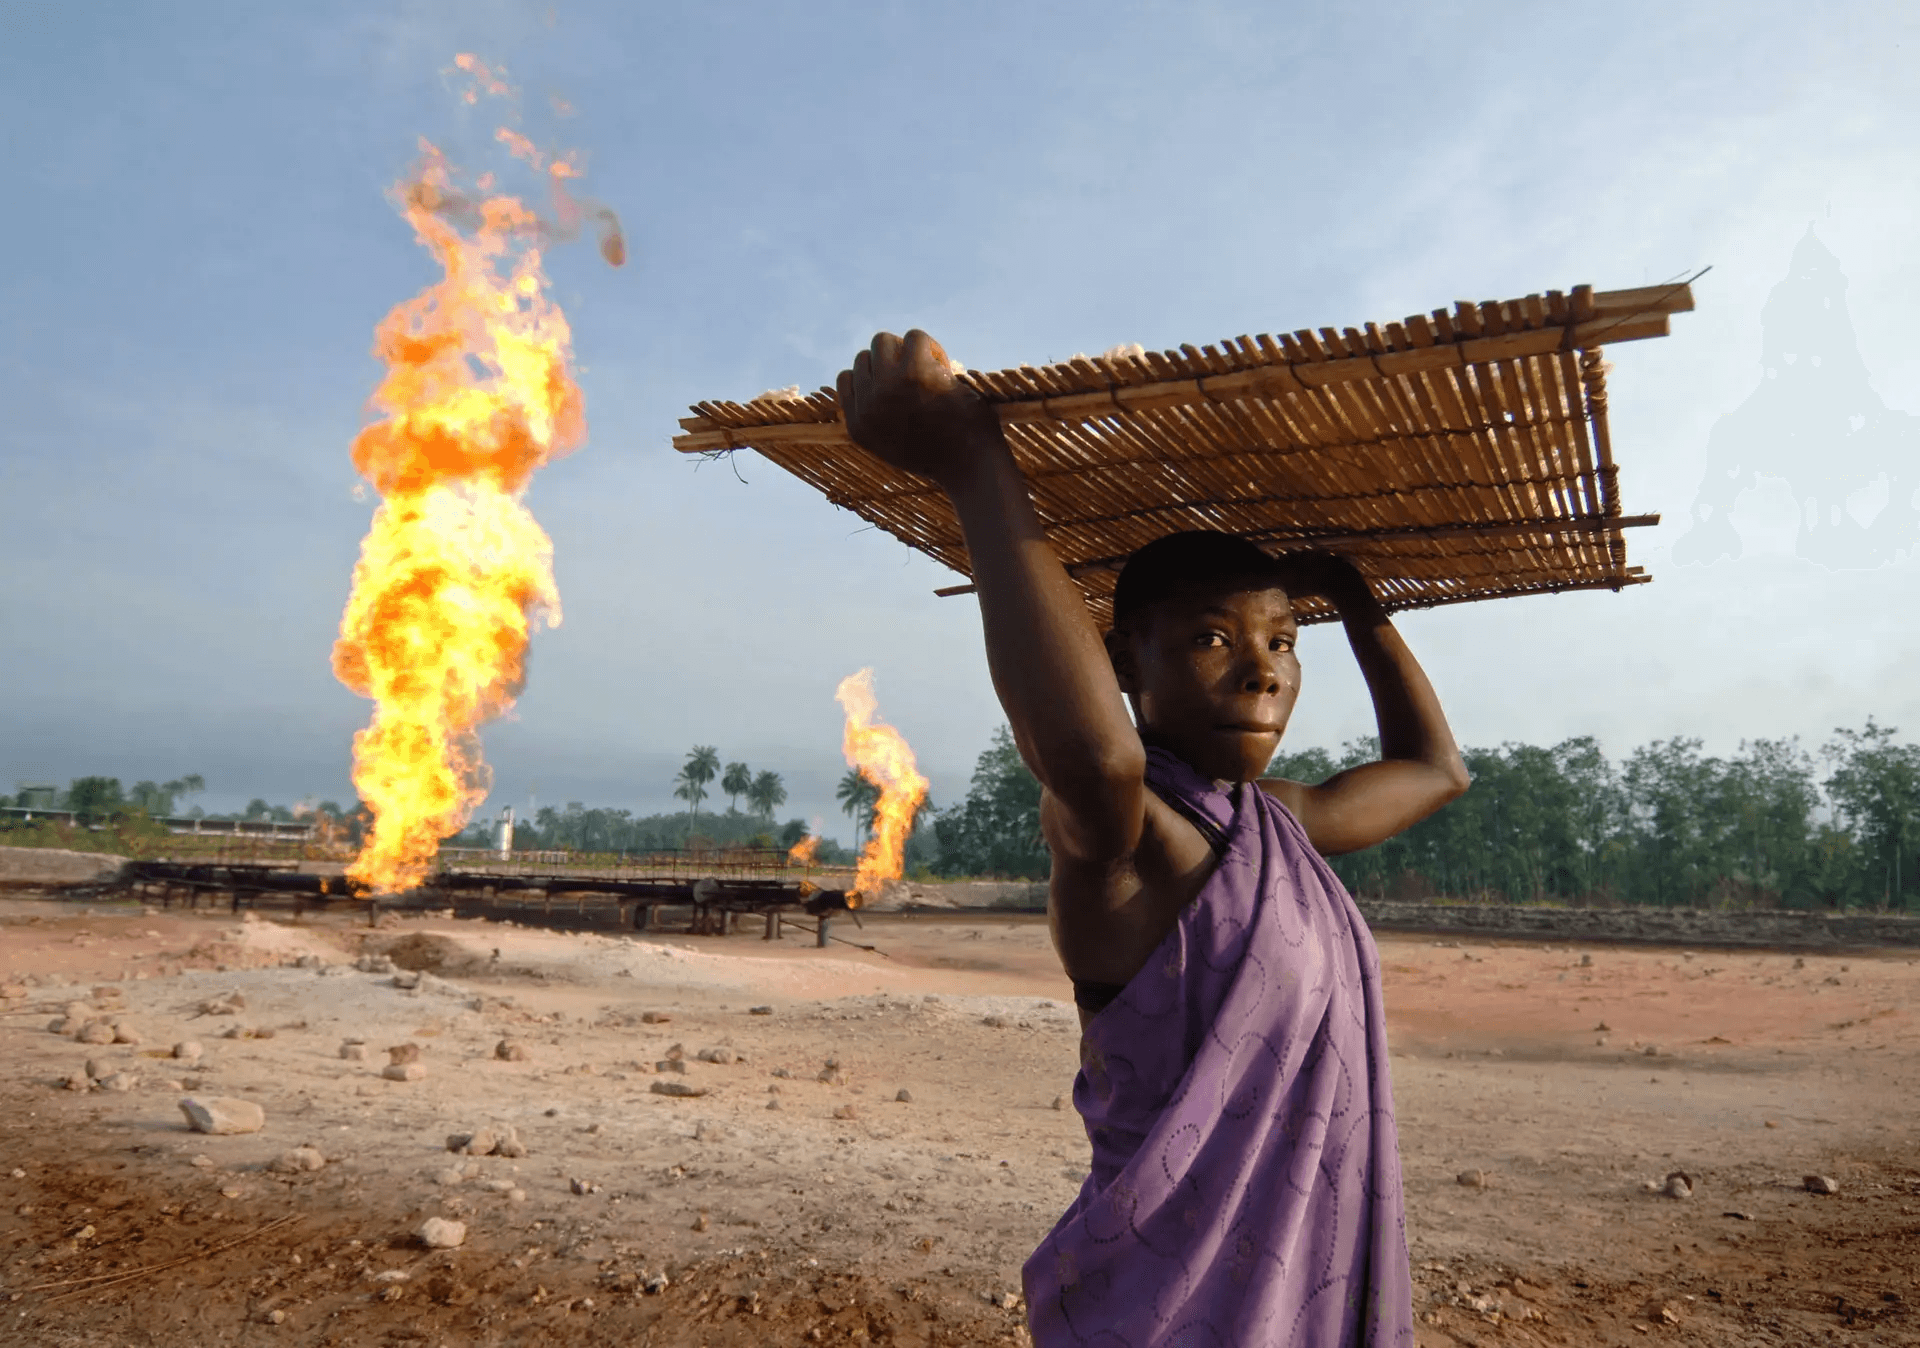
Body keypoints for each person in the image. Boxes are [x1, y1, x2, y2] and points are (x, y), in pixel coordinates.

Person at [837, 330, 1469, 1347]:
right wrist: (973, 466)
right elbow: (1097, 757)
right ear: (1128, 659)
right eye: (1214, 638)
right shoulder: (1126, 840)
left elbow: (1439, 770)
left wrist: (1357, 606)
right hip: (1165, 1307)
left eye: (1281, 642)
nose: (1263, 672)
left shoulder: (1280, 825)